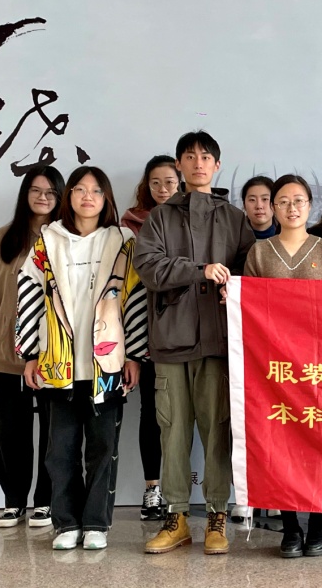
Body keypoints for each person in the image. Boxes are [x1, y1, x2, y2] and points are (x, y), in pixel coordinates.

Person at [135, 131, 256, 557]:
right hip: (171, 341)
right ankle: (177, 517)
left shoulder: (235, 218)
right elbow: (149, 267)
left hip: (219, 343)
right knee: (172, 432)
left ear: (217, 166)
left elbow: (249, 270)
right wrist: (198, 270)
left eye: (206, 157)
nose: (198, 163)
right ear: (179, 165)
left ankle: (218, 514)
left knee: (218, 429)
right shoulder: (159, 218)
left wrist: (232, 288)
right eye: (190, 156)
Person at [16, 166, 148, 551]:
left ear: (107, 198)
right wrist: (29, 354)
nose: (88, 197)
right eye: (79, 189)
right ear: (69, 196)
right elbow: (28, 293)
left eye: (96, 191)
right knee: (60, 450)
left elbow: (135, 298)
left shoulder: (122, 241)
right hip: (58, 363)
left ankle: (96, 524)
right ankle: (66, 523)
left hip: (107, 365)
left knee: (103, 448)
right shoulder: (48, 240)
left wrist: (135, 355)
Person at [244, 175, 322, 558]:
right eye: (283, 201)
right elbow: (249, 306)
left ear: (310, 205)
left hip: (318, 365)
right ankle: (290, 526)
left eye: (298, 200)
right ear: (273, 207)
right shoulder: (260, 252)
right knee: (281, 444)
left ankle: (318, 523)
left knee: (319, 443)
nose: (291, 207)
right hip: (275, 368)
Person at [0, 165, 63, 529]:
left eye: (51, 192)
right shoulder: (3, 238)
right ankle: (14, 500)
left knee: (53, 430)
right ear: (25, 193)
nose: (43, 197)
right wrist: (7, 328)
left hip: (52, 354)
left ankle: (45, 500)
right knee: (10, 430)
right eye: (36, 190)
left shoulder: (64, 238)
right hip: (5, 354)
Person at [122, 154, 178, 521]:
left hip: (185, 328)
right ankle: (152, 490)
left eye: (169, 182)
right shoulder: (131, 225)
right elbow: (124, 286)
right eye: (155, 182)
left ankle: (182, 491)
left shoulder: (192, 222)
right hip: (144, 328)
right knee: (150, 413)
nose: (162, 189)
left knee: (185, 413)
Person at [242, 175, 279, 239]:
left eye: (265, 199)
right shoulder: (233, 237)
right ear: (244, 205)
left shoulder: (288, 236)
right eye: (252, 200)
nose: (259, 206)